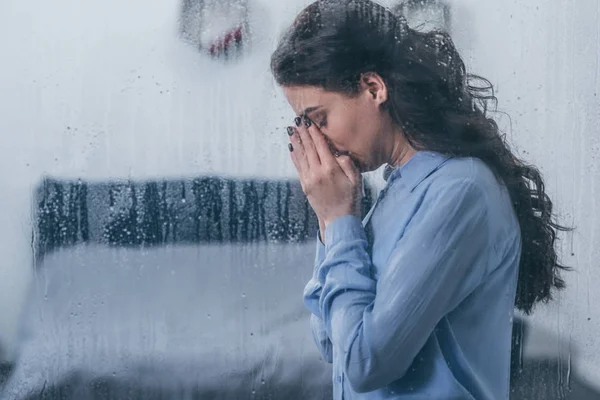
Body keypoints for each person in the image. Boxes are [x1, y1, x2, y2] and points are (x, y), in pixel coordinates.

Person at [270, 0, 569, 398]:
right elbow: (330, 341)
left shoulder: (461, 191)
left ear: (373, 88)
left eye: (320, 119)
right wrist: (330, 224)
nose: (318, 140)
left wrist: (340, 220)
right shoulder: (395, 189)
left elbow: (365, 363)